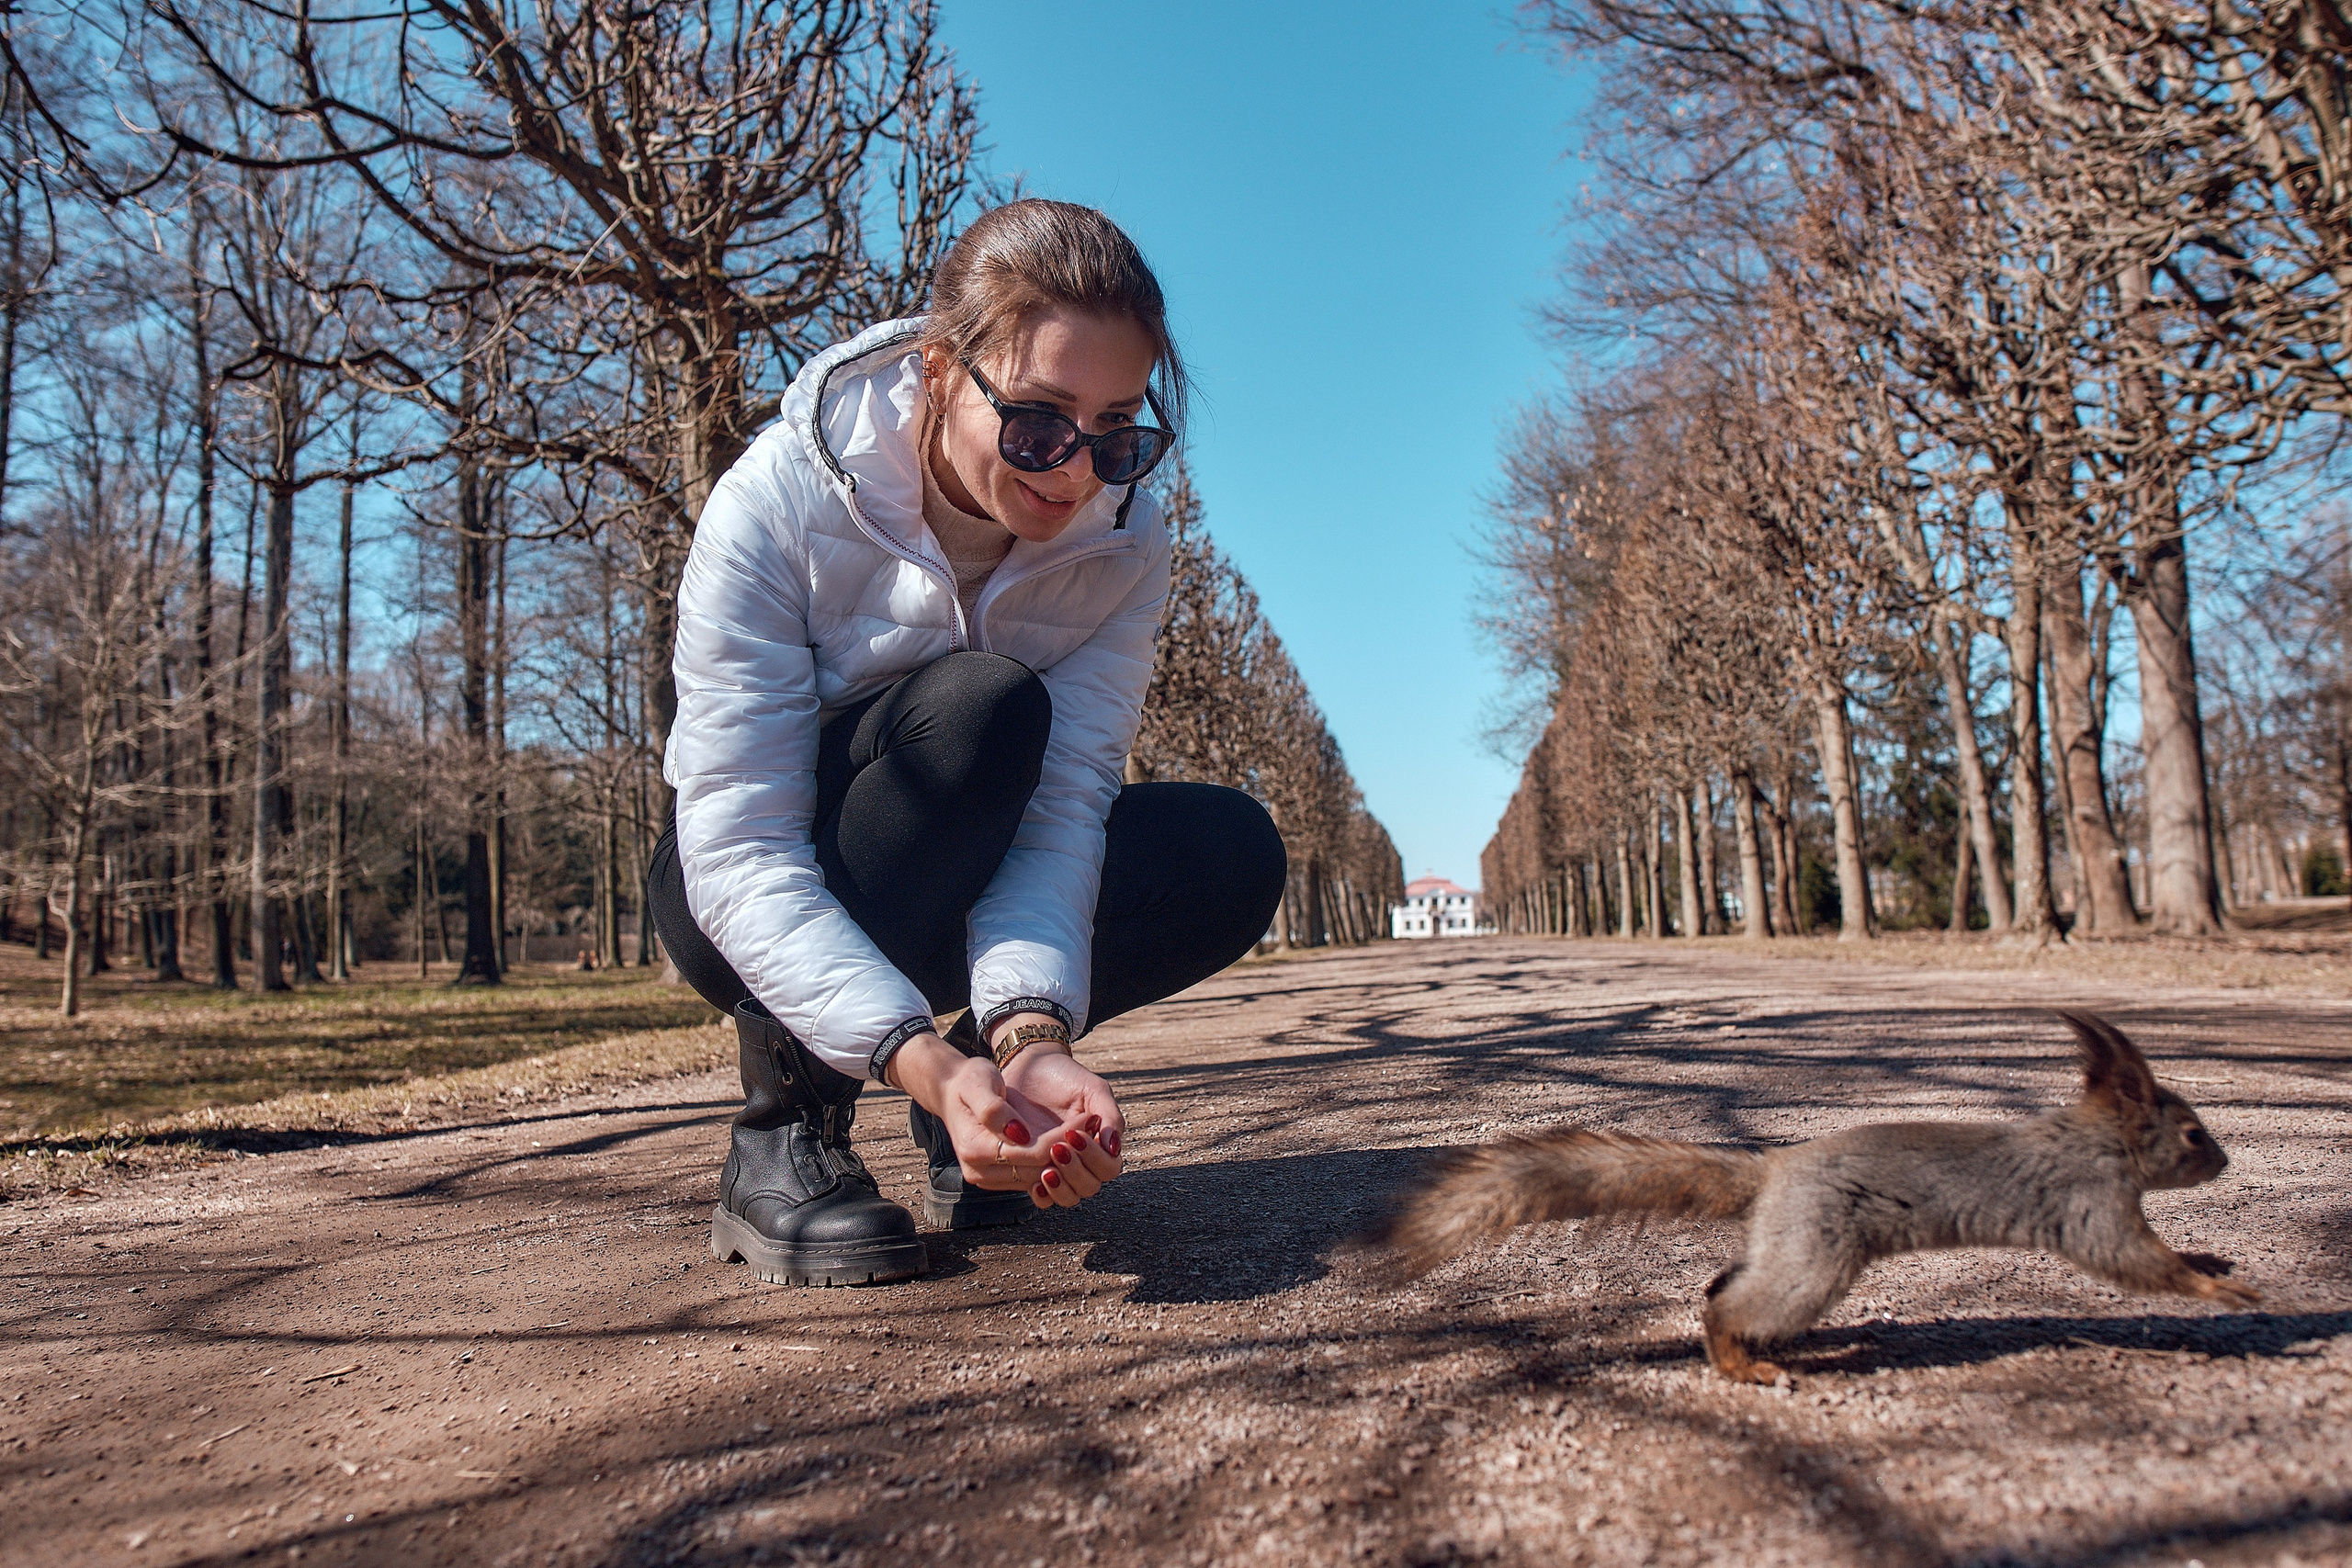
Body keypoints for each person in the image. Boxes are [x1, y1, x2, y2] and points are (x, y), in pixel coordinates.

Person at [649, 199, 1287, 1290]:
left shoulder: (1126, 546)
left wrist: (1027, 1041)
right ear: (942, 371)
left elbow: (1059, 808)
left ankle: (982, 1127)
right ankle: (784, 1134)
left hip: (953, 886)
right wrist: (918, 1058)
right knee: (985, 709)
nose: (1075, 471)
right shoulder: (775, 502)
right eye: (1038, 422)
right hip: (736, 889)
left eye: (1118, 431)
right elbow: (736, 841)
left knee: (1229, 853)